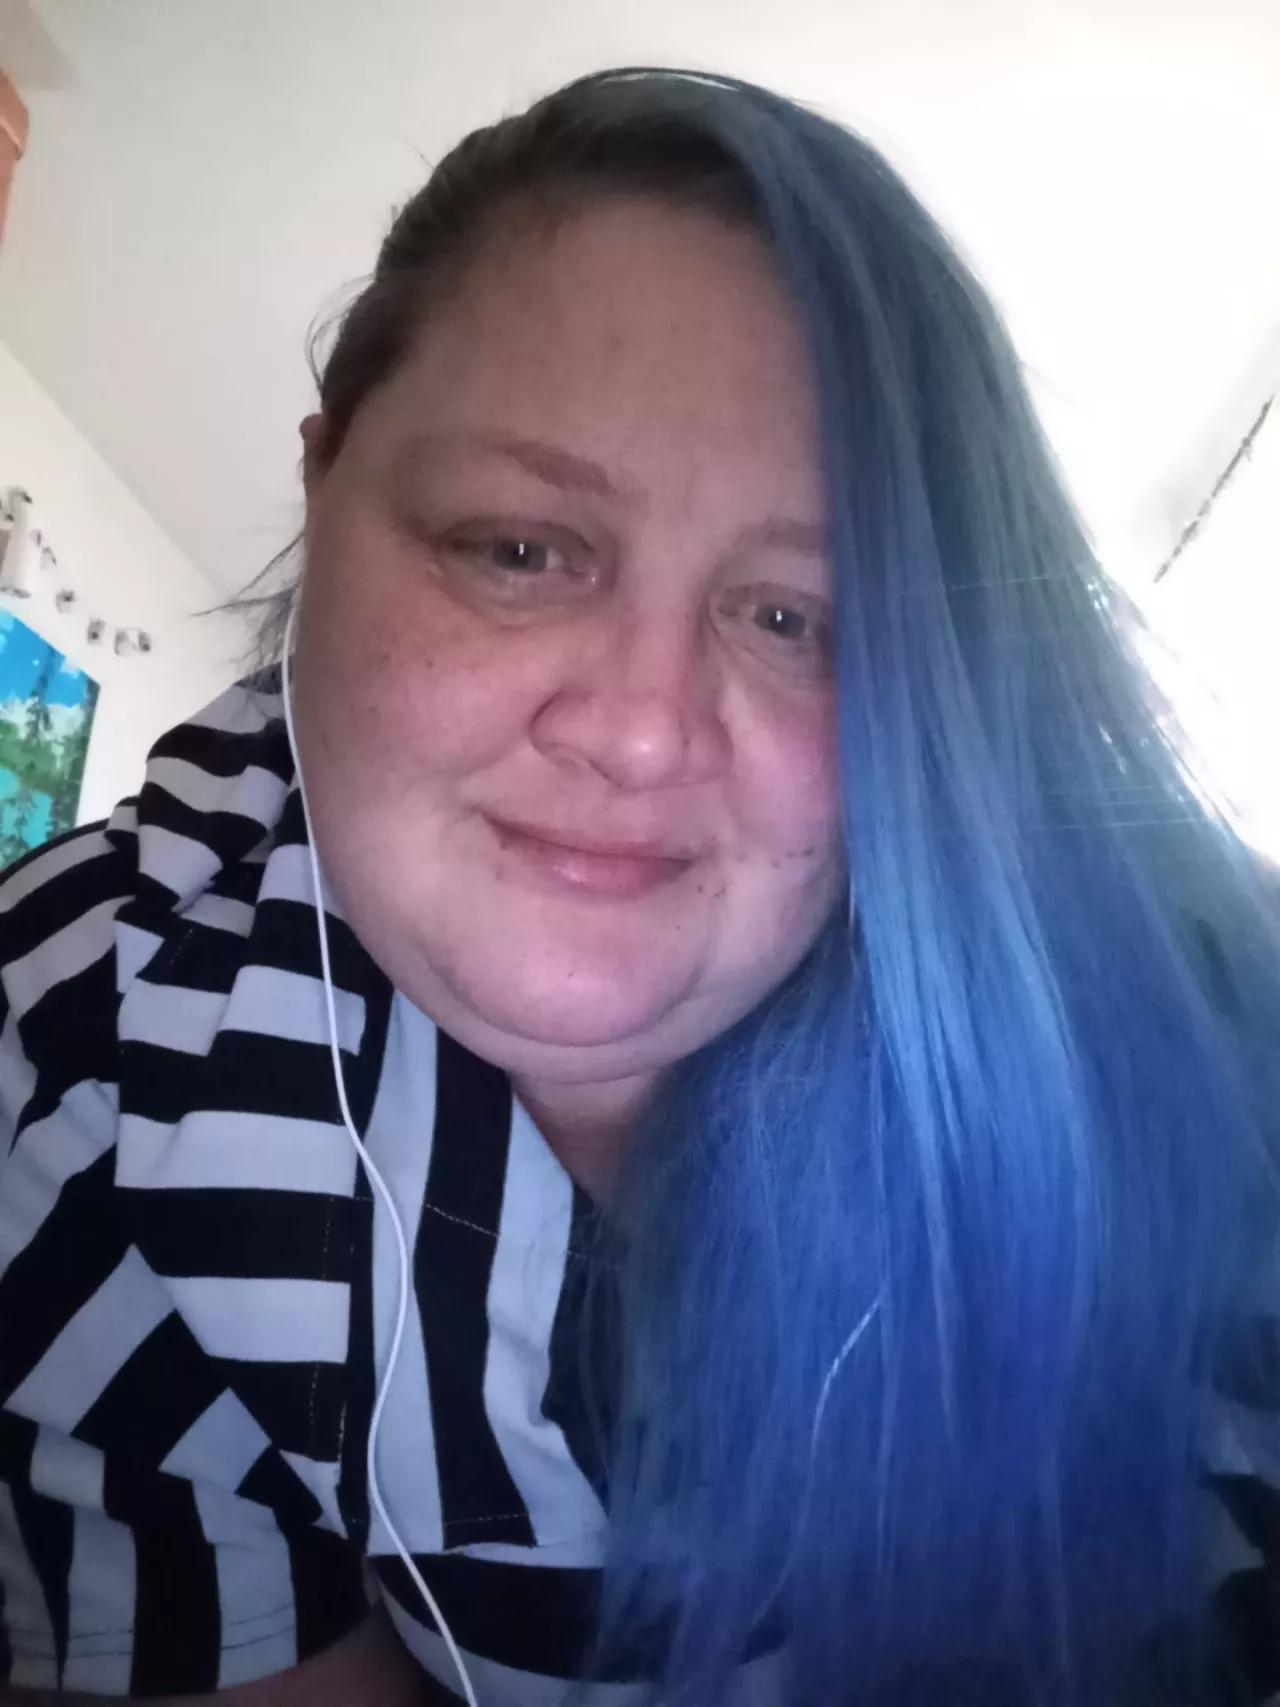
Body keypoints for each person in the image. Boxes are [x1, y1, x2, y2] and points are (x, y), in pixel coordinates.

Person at [1, 64, 1278, 1707]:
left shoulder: (1192, 1028)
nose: (642, 728)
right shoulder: (77, 1061)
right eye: (519, 549)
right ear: (325, 488)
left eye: (796, 617)